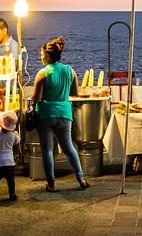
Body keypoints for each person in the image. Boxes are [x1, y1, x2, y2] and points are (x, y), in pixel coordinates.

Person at [33, 37, 89, 192]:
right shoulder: (69, 71)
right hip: (64, 113)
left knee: (47, 150)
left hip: (45, 114)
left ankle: (51, 184)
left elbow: (36, 98)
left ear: (46, 55)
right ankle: (81, 178)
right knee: (68, 147)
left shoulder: (43, 73)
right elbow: (75, 93)